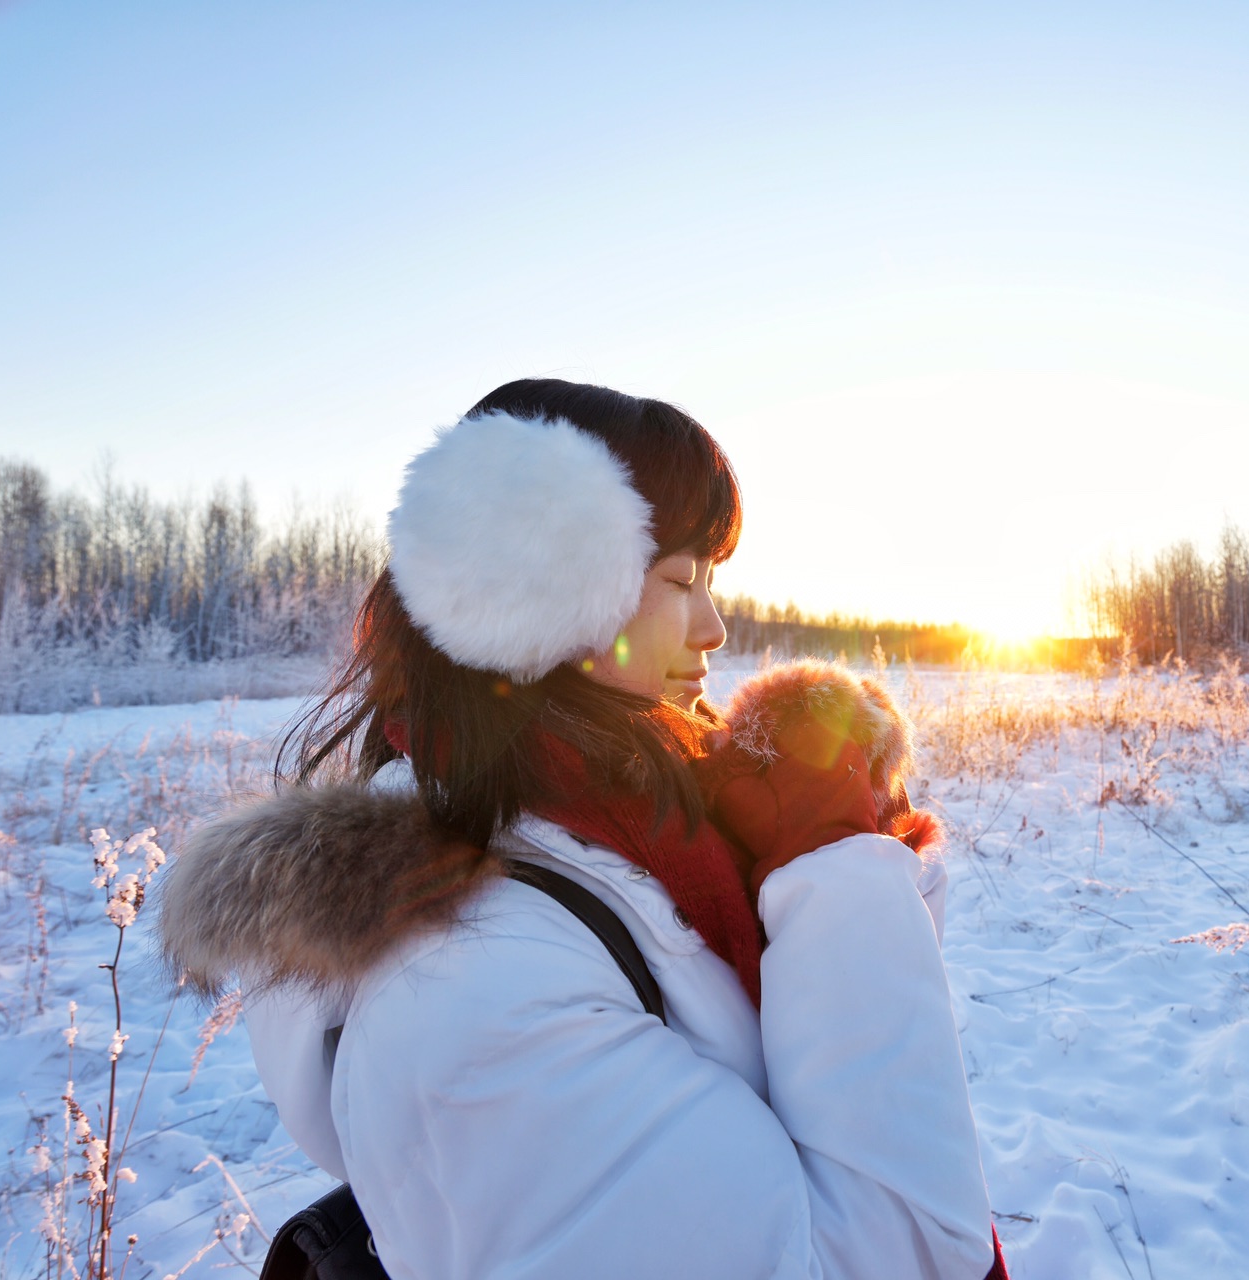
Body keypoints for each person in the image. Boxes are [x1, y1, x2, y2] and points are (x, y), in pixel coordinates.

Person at [157, 379, 1006, 1279]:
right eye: (680, 579)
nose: (714, 627)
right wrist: (833, 873)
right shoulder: (478, 982)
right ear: (543, 590)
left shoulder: (633, 844)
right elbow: (898, 1256)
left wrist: (826, 866)